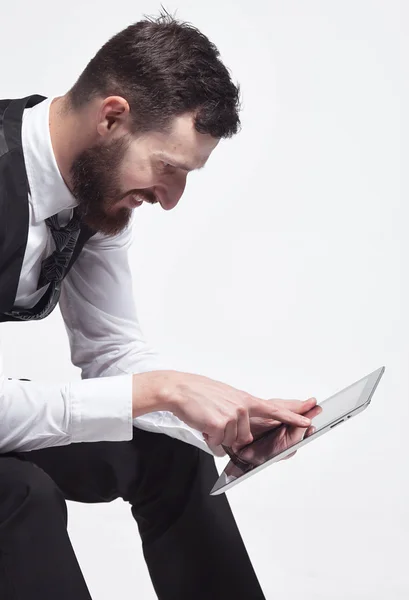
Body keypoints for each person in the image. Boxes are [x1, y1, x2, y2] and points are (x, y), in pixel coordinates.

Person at [0, 10, 321, 600]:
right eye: (167, 168)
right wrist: (161, 392)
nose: (169, 200)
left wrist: (221, 416)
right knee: (20, 495)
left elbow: (112, 350)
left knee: (173, 451)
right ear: (112, 117)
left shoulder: (93, 191)